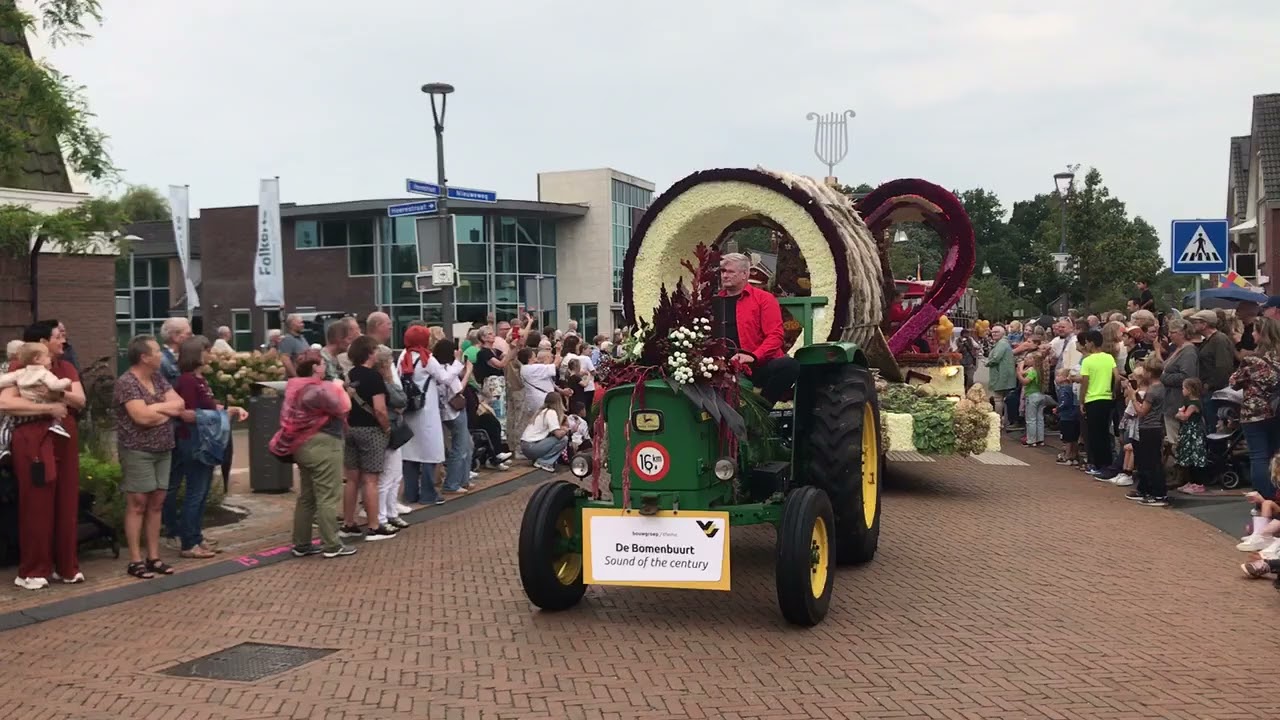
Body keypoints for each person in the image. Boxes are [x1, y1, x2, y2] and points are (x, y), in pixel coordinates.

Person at [0, 324, 83, 590]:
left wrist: (56, 392)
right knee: (37, 503)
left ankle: (66, 566)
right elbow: (6, 403)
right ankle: (33, 570)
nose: (64, 340)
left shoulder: (66, 368)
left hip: (64, 437)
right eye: (59, 336)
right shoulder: (19, 369)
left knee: (66, 501)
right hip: (34, 437)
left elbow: (80, 400)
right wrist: (50, 405)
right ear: (40, 343)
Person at [113, 335, 187, 580]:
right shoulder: (126, 382)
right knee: (138, 504)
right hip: (137, 450)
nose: (161, 355)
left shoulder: (157, 377)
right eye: (156, 351)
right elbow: (140, 418)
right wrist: (163, 410)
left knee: (157, 503)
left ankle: (153, 557)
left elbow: (179, 404)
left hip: (163, 448)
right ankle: (135, 560)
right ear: (144, 357)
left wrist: (154, 409)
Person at [270, 355, 357, 559]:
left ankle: (301, 543)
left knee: (307, 497)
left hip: (301, 445)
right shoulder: (319, 389)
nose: (325, 367)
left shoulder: (295, 387)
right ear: (315, 368)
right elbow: (343, 407)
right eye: (323, 364)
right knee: (328, 496)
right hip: (324, 445)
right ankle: (332, 545)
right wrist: (340, 388)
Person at [171, 337, 247, 558]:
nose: (211, 355)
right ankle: (188, 542)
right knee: (195, 492)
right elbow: (186, 413)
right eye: (207, 351)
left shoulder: (200, 379)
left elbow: (207, 406)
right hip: (194, 440)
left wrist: (227, 409)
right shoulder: (187, 381)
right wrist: (223, 414)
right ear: (198, 354)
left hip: (205, 440)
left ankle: (197, 537)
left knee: (202, 492)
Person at [712, 253, 800, 403]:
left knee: (789, 365)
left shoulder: (764, 299)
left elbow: (775, 336)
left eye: (730, 271)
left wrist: (752, 356)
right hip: (722, 366)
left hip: (757, 365)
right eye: (722, 271)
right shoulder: (714, 302)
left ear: (744, 274)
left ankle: (762, 409)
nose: (725, 275)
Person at [340, 335, 398, 541]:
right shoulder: (374, 378)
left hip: (352, 429)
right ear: (369, 353)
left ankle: (348, 523)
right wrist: (387, 428)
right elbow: (380, 409)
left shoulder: (350, 375)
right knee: (371, 480)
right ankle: (374, 526)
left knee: (352, 480)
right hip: (371, 430)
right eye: (374, 350)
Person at [399, 324, 464, 506]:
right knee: (429, 453)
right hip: (427, 411)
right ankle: (428, 494)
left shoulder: (403, 357)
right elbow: (444, 378)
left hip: (409, 410)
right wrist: (457, 364)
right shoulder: (427, 358)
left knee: (410, 453)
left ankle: (410, 494)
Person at [1228, 315, 1280, 496]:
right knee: (1275, 454)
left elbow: (1234, 382)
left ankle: (1262, 497)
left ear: (1261, 334)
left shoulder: (1252, 361)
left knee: (1258, 455)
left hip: (1255, 413)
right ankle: (1276, 496)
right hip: (1278, 411)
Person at [0, 343, 72, 439]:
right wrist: (67, 381)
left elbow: (3, 380)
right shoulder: (44, 374)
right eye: (47, 356)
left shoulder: (20, 373)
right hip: (43, 405)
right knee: (58, 408)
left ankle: (3, 446)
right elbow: (55, 385)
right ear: (37, 359)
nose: (50, 358)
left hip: (26, 407)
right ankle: (57, 425)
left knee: (8, 424)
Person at [1128, 358, 1168, 506]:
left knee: (1152, 462)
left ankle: (1158, 493)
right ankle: (1148, 490)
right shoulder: (1161, 387)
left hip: (1149, 427)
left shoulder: (1152, 391)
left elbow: (1142, 411)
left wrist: (1133, 397)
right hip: (1154, 427)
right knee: (1149, 461)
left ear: (1150, 373)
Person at [1078, 329, 1117, 475]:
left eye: (1087, 342)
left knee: (1094, 434)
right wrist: (1113, 391)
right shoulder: (1109, 358)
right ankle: (1107, 463)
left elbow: (1085, 383)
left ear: (1092, 343)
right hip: (1107, 398)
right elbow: (1117, 377)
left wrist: (1082, 401)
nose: (1086, 345)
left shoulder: (1087, 361)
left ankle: (1098, 464)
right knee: (1104, 433)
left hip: (1093, 399)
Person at [1173, 378, 1208, 494]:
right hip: (1187, 432)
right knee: (1187, 456)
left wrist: (1180, 414)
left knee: (1195, 457)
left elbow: (1183, 416)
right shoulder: (1187, 403)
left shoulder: (1194, 404)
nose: (1182, 390)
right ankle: (1190, 482)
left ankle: (1198, 483)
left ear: (1189, 390)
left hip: (1194, 433)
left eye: (1183, 388)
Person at [520, 391, 570, 472]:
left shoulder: (541, 411)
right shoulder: (551, 412)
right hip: (532, 447)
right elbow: (558, 435)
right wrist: (566, 429)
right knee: (563, 439)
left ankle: (539, 459)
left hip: (525, 446)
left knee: (554, 437)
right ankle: (544, 462)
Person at [985, 325, 1016, 425]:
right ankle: (1005, 421)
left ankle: (998, 421)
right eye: (993, 332)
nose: (994, 334)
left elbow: (996, 358)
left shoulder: (1002, 344)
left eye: (996, 332)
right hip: (1005, 375)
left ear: (1003, 333)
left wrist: (987, 363)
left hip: (1001, 376)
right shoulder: (1003, 343)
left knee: (998, 399)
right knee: (1005, 400)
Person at [1020, 352, 1049, 447]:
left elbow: (1025, 381)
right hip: (1041, 395)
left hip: (1032, 395)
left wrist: (1018, 373)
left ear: (1033, 360)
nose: (1025, 360)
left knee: (1031, 419)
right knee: (1040, 418)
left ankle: (1031, 440)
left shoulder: (1032, 370)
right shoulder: (1042, 370)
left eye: (1028, 358)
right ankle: (1040, 439)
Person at [1054, 368, 1080, 466]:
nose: (1056, 378)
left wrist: (1058, 409)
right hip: (1074, 416)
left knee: (1068, 439)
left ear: (1065, 378)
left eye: (1059, 375)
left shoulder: (1064, 389)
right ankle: (1074, 456)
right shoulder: (1072, 388)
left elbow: (1065, 403)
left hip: (1067, 417)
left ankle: (1068, 456)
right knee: (1074, 438)